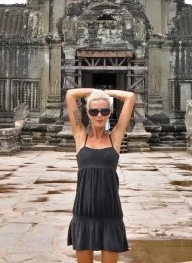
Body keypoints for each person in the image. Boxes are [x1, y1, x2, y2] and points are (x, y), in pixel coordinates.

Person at [66, 87, 135, 263]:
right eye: (93, 111)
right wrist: (95, 91)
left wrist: (106, 92)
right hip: (84, 213)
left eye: (104, 111)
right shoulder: (80, 136)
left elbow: (130, 97)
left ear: (109, 113)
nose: (99, 115)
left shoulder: (115, 138)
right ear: (87, 113)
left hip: (110, 213)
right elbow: (71, 95)